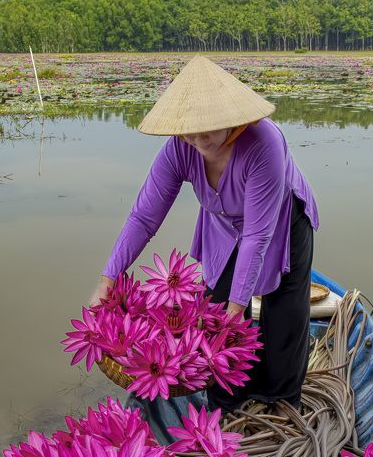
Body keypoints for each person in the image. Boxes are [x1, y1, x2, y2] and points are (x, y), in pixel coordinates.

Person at [89, 55, 319, 413]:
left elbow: (258, 236)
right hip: (224, 224)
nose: (198, 140)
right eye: (189, 130)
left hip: (282, 221)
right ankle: (227, 405)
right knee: (213, 312)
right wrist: (108, 278)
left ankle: (280, 401)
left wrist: (238, 307)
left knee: (283, 311)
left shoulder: (264, 143)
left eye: (208, 129)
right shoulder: (181, 148)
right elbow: (143, 218)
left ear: (232, 121)